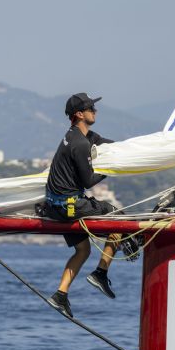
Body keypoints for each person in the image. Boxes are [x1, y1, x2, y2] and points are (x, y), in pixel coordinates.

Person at [44, 92, 120, 317]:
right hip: (70, 207)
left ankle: (60, 294)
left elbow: (102, 141)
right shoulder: (79, 144)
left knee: (83, 249)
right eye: (91, 109)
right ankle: (100, 273)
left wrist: (127, 150)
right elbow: (88, 181)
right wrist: (110, 170)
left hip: (57, 207)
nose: (95, 111)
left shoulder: (75, 135)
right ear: (79, 114)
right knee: (118, 219)